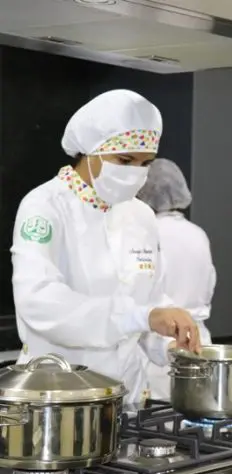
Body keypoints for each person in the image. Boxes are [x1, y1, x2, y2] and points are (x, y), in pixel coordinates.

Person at [11, 89, 200, 411]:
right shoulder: (44, 206)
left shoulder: (140, 215)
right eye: (124, 160)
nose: (135, 172)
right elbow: (40, 302)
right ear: (91, 150)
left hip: (127, 396)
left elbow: (151, 300)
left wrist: (170, 342)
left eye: (145, 163)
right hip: (61, 400)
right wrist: (142, 316)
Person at [138, 158, 216, 400]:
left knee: (159, 432)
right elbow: (209, 284)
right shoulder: (197, 233)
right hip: (198, 343)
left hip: (158, 349)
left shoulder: (146, 234)